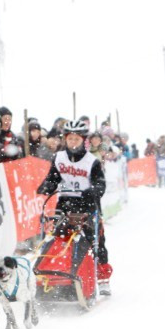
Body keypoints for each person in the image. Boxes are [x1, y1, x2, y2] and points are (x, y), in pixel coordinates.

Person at [36, 119, 111, 294]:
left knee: (96, 242)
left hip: (87, 205)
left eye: (76, 139)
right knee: (60, 240)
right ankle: (60, 277)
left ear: (83, 140)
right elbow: (53, 178)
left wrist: (92, 191)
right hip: (65, 204)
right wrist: (46, 186)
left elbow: (101, 185)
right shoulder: (59, 157)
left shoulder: (92, 161)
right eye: (70, 139)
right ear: (66, 139)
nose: (73, 142)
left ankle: (103, 278)